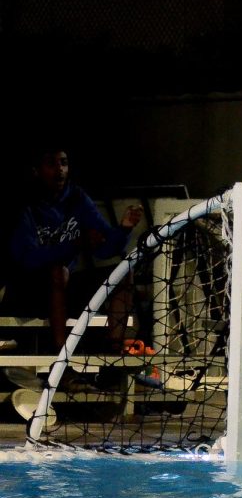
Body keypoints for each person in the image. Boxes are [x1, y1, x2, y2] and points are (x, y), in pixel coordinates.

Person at [2, 145, 144, 353]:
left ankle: (114, 354)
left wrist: (123, 229)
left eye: (64, 163)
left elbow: (103, 248)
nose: (59, 169)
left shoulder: (76, 198)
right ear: (36, 170)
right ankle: (62, 359)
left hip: (64, 289)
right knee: (58, 271)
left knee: (123, 273)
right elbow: (27, 260)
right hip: (27, 292)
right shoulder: (24, 205)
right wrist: (75, 244)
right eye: (51, 163)